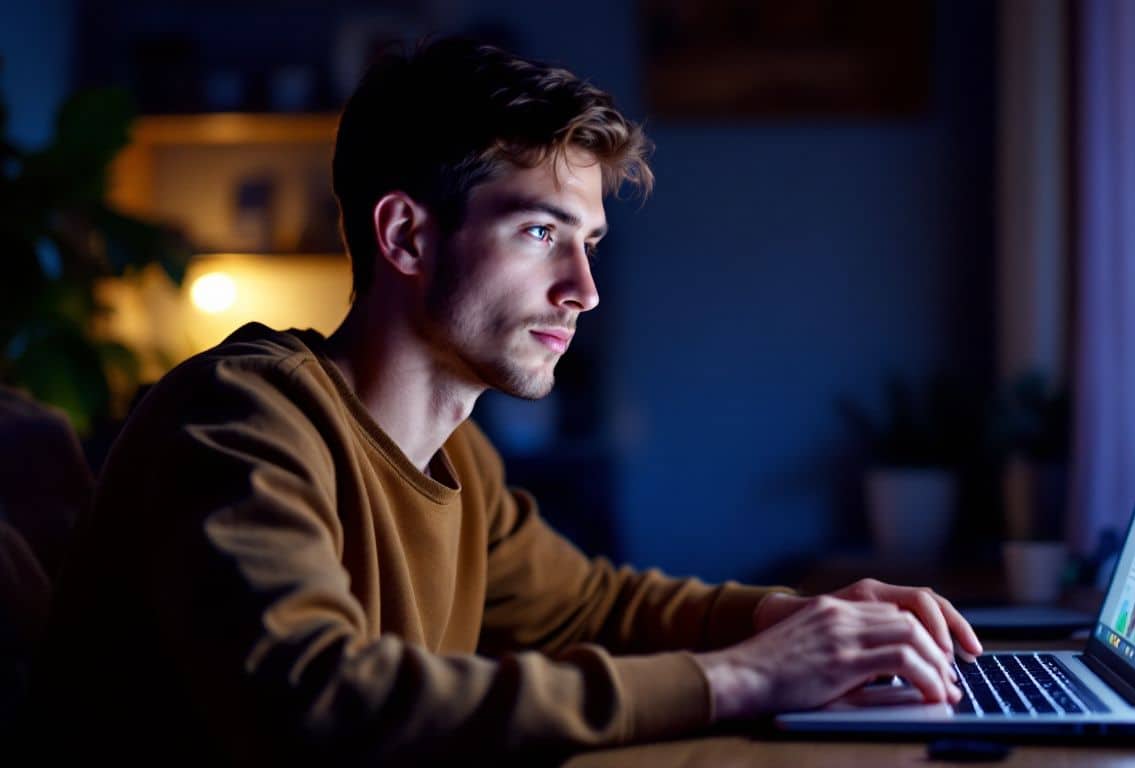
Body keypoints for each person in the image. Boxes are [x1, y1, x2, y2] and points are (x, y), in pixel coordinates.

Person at [26, 39, 982, 764]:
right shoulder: (241, 419)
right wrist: (740, 679)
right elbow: (315, 696)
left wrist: (796, 618)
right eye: (539, 231)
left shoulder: (458, 458)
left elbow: (591, 607)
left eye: (590, 242)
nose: (583, 289)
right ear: (405, 236)